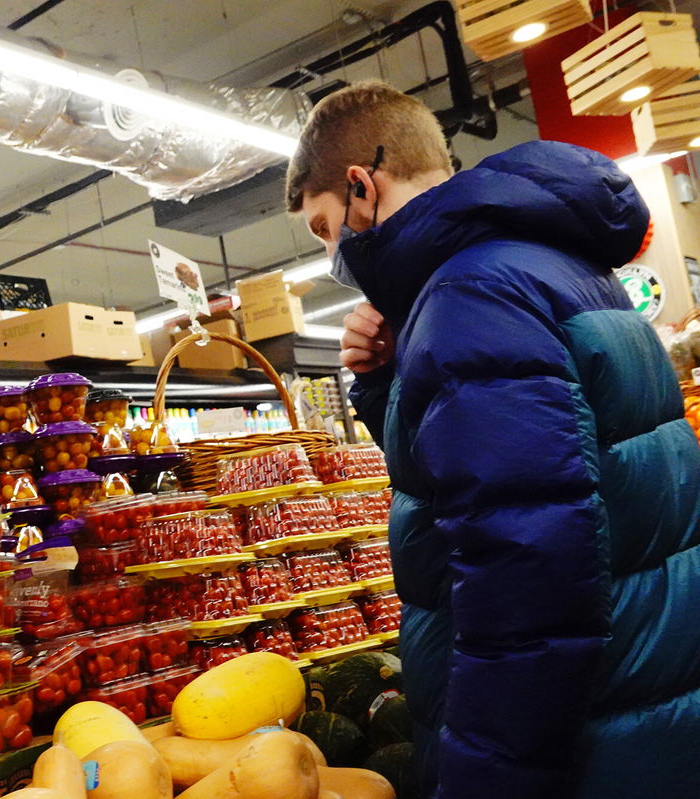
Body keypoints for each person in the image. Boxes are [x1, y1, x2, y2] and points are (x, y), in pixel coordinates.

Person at [285, 80, 700, 799]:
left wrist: (482, 777)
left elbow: (529, 586)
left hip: (588, 747)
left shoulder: (468, 298)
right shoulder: (552, 265)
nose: (335, 258)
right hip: (646, 698)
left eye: (327, 230)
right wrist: (389, 378)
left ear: (361, 187)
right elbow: (503, 486)